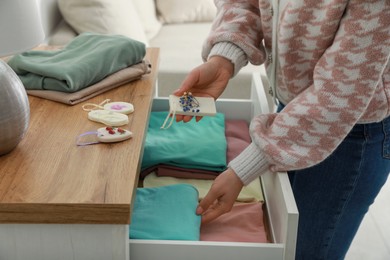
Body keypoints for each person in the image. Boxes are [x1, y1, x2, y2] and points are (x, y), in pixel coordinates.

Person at [173, 0, 390, 259]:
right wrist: (224, 57)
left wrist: (244, 169)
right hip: (291, 115)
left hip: (351, 137)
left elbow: (341, 91)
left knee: (302, 253)